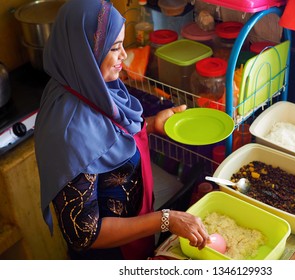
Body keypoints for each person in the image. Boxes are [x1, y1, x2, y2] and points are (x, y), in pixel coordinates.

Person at [34, 0, 209, 260]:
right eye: (115, 48)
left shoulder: (87, 85)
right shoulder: (69, 132)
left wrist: (150, 124)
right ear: (85, 52)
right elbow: (84, 233)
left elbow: (106, 138)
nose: (124, 55)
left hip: (135, 223)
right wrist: (166, 220)